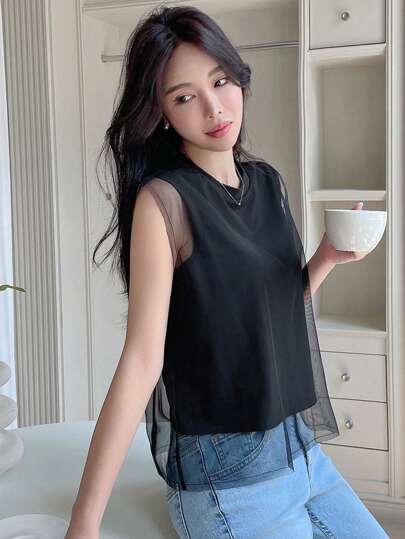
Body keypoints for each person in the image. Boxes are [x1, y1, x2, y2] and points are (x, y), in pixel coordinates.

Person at [65, 5, 389, 538]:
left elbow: (270, 313)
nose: (214, 108)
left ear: (238, 78)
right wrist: (84, 522)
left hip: (302, 454)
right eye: (184, 97)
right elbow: (142, 359)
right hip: (228, 476)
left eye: (220, 82)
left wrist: (326, 257)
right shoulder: (164, 203)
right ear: (161, 113)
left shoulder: (267, 182)